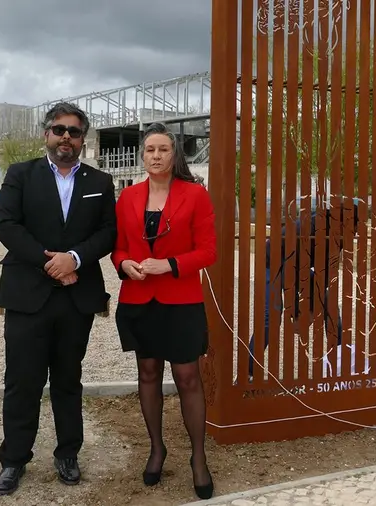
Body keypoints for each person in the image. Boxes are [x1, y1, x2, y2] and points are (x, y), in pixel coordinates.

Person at [0, 102, 117, 495]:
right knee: (22, 381)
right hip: (28, 293)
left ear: (83, 139)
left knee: (68, 379)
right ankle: (14, 459)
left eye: (74, 132)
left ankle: (67, 453)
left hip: (76, 296)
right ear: (46, 134)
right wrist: (51, 263)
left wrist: (75, 258)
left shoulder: (101, 180)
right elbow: (7, 224)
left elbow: (108, 232)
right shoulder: (21, 174)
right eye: (59, 129)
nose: (66, 137)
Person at [110, 122, 217, 500]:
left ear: (175, 155)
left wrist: (168, 264)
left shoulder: (195, 195)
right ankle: (157, 448)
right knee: (148, 372)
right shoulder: (126, 198)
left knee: (188, 376)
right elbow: (118, 248)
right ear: (143, 155)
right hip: (139, 300)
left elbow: (208, 252)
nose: (155, 156)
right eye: (150, 150)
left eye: (163, 150)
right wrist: (124, 265)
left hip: (181, 300)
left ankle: (198, 458)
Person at [247, 198, 359, 378]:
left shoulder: (338, 238)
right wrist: (298, 312)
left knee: (331, 310)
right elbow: (289, 269)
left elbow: (324, 277)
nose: (355, 233)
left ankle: (340, 366)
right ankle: (248, 372)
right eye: (354, 226)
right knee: (272, 317)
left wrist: (315, 308)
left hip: (299, 268)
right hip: (273, 263)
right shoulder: (312, 226)